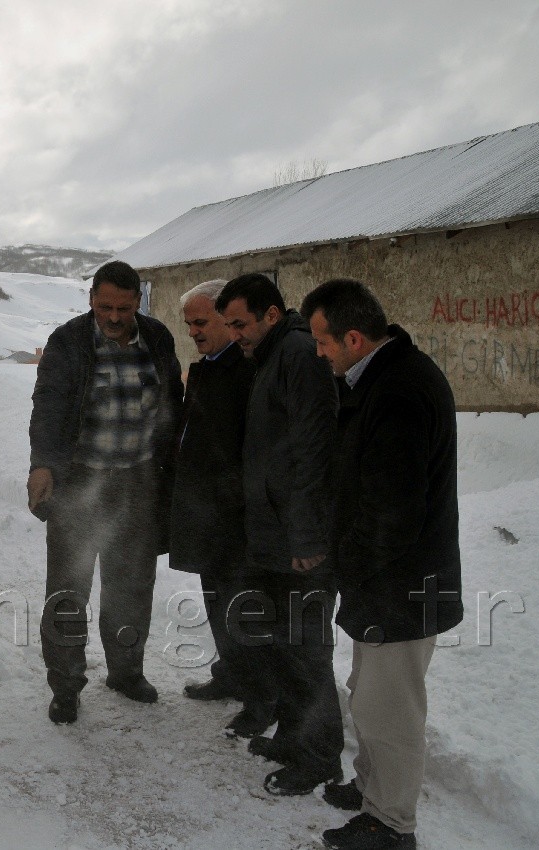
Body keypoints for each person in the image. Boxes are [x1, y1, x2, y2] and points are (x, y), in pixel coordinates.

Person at [302, 279, 463, 850]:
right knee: (367, 692)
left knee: (391, 709)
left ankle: (392, 825)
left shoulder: (398, 391)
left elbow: (394, 510)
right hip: (383, 580)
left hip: (402, 582)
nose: (318, 354)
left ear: (351, 337)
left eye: (322, 343)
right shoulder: (375, 379)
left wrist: (343, 565)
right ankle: (371, 789)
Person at [28, 260, 183, 724]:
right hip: (80, 485)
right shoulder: (69, 342)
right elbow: (49, 408)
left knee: (131, 587)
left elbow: (171, 405)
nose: (113, 317)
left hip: (137, 485)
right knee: (69, 590)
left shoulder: (156, 339)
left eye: (123, 307)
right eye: (104, 306)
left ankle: (126, 671)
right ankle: (66, 684)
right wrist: (42, 466)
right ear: (91, 298)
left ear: (138, 301)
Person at [214, 273, 344, 796]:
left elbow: (315, 447)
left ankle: (319, 758)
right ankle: (293, 737)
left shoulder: (295, 353)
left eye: (240, 323)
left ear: (272, 314)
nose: (235, 334)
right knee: (286, 647)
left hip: (301, 544)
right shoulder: (271, 356)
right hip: (275, 537)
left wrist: (308, 538)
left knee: (308, 652)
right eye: (230, 325)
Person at [168, 279, 263, 718]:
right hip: (205, 512)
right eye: (189, 324)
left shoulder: (247, 373)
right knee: (217, 602)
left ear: (227, 319)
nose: (194, 331)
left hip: (233, 516)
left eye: (202, 322)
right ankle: (231, 675)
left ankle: (256, 692)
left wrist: (230, 499)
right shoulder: (206, 368)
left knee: (242, 608)